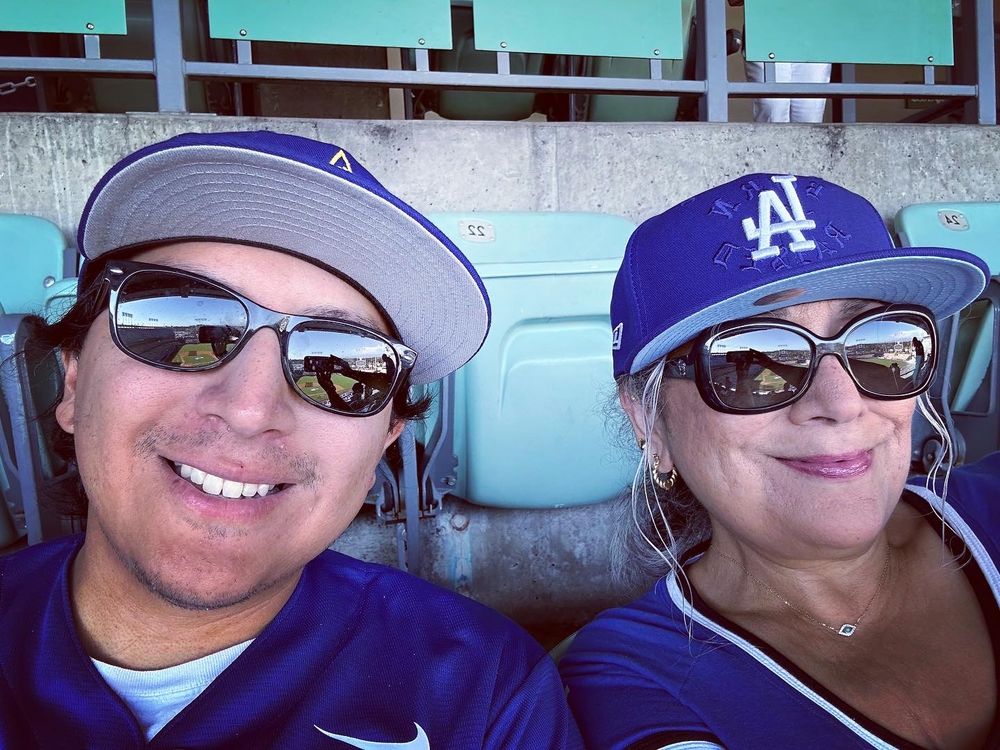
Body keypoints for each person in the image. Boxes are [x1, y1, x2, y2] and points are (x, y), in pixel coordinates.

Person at [0, 131, 583, 749]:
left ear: (386, 440)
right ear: (72, 379)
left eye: (342, 362)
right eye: (173, 321)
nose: (250, 409)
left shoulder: (484, 696)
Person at [559, 173, 998, 748]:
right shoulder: (638, 680)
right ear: (650, 420)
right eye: (754, 359)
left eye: (877, 344)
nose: (842, 404)